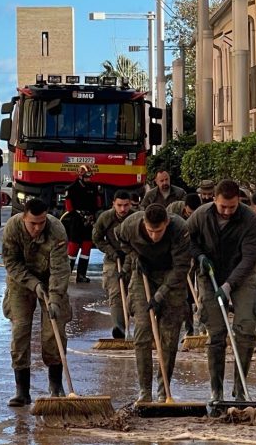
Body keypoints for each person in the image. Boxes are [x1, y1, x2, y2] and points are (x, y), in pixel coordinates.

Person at [187, 179, 256, 402]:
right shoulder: (201, 215)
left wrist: (229, 285)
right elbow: (186, 240)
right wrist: (199, 256)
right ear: (214, 200)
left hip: (241, 275)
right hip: (209, 275)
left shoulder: (250, 220)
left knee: (246, 329)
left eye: (232, 206)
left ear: (239, 200)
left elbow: (249, 258)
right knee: (217, 333)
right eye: (223, 207)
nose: (227, 211)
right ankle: (216, 390)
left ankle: (240, 391)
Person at [117, 204, 191, 404]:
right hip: (143, 275)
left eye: (158, 231)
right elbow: (122, 241)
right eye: (150, 231)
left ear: (167, 223)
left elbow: (182, 267)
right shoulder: (130, 225)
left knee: (169, 335)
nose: (154, 236)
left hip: (172, 276)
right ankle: (144, 391)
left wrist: (161, 294)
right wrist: (134, 257)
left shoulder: (180, 229)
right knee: (142, 333)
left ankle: (163, 391)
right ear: (143, 223)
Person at [1, 197, 71, 407]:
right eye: (33, 223)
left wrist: (55, 299)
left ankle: (56, 386)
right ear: (24, 218)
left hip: (51, 281)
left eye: (41, 223)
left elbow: (60, 270)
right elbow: (11, 263)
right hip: (20, 281)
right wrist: (33, 284)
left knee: (54, 330)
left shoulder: (57, 230)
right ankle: (22, 391)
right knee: (20, 330)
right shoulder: (12, 228)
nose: (38, 227)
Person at [92, 190, 136, 339]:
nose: (123, 209)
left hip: (134, 258)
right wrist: (111, 251)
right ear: (113, 204)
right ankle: (119, 328)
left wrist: (126, 266)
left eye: (126, 205)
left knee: (135, 292)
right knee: (116, 292)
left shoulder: (136, 218)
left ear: (130, 204)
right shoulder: (105, 218)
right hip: (113, 259)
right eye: (119, 205)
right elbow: (97, 238)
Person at [166, 193, 203, 338]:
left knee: (198, 292)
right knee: (183, 292)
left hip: (195, 252)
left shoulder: (202, 214)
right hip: (176, 253)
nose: (192, 216)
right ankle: (189, 328)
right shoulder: (173, 210)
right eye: (189, 213)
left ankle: (199, 328)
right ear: (184, 208)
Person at [62, 165, 102, 283]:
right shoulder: (72, 188)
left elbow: (98, 205)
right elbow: (69, 207)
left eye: (90, 177)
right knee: (73, 248)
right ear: (80, 176)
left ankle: (81, 275)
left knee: (86, 247)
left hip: (89, 221)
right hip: (76, 221)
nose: (89, 179)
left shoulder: (94, 188)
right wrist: (79, 215)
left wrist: (93, 217)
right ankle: (66, 274)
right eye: (86, 177)